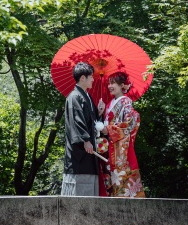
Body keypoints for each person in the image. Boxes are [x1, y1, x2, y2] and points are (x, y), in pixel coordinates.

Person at [97, 71, 145, 198]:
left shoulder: (126, 102)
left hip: (120, 148)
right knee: (110, 178)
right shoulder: (109, 104)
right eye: (109, 83)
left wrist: (110, 129)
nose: (109, 86)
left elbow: (131, 123)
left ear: (122, 85)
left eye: (113, 83)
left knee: (121, 176)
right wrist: (101, 113)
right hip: (110, 147)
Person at [61, 62, 102, 196]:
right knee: (79, 187)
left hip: (89, 149)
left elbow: (91, 120)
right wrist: (85, 140)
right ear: (83, 78)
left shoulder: (87, 96)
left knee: (90, 186)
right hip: (80, 150)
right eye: (91, 76)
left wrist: (99, 112)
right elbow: (76, 120)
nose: (93, 79)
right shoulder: (74, 96)